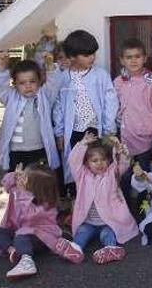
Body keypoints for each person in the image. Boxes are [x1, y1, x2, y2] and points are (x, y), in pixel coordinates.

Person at [0, 164, 83, 279]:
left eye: (24, 178)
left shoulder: (46, 205)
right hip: (23, 233)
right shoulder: (20, 191)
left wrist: (22, 194)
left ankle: (26, 260)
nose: (20, 180)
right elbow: (6, 184)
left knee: (21, 236)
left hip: (39, 237)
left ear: (34, 186)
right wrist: (15, 175)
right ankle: (13, 250)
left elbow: (28, 218)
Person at [53, 30, 119, 189]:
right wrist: (60, 132)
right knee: (77, 168)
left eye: (93, 54)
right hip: (74, 132)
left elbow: (111, 102)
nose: (92, 58)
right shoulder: (63, 78)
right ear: (72, 57)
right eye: (86, 55)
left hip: (96, 130)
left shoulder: (100, 75)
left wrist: (109, 130)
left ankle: (100, 205)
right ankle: (80, 203)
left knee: (99, 167)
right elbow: (58, 106)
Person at [62, 134, 138, 264]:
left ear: (108, 161)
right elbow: (73, 161)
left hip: (108, 222)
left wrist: (119, 147)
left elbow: (124, 162)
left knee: (108, 234)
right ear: (86, 163)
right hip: (88, 222)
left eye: (103, 160)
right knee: (82, 233)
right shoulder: (82, 176)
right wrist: (82, 144)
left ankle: (110, 248)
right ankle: (75, 249)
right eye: (94, 160)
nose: (99, 163)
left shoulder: (112, 173)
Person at [0, 53, 63, 173]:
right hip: (16, 152)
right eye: (22, 83)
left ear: (40, 80)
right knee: (16, 185)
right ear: (14, 84)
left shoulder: (45, 96)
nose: (28, 86)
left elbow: (54, 84)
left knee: (38, 184)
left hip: (39, 149)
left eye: (32, 81)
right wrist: (2, 67)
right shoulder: (11, 97)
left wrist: (50, 66)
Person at [114, 38, 152, 171]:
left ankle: (144, 193)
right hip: (125, 134)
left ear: (145, 58)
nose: (133, 60)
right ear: (122, 60)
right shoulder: (118, 82)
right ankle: (125, 192)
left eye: (137, 56)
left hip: (145, 134)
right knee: (124, 172)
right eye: (129, 57)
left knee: (143, 171)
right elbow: (113, 105)